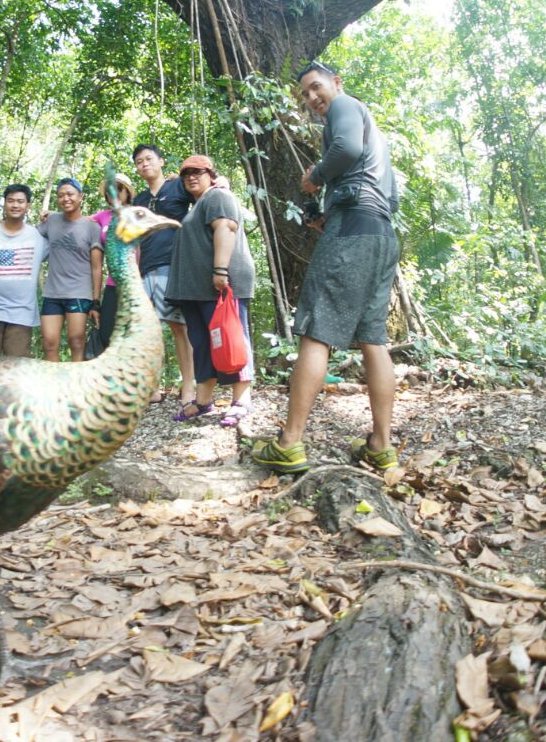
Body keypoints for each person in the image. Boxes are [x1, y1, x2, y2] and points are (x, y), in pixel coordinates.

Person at [251, 61, 400, 475]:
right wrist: (327, 211)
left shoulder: (346, 106)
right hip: (381, 235)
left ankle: (289, 443)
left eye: (316, 88)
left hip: (353, 229)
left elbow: (346, 150)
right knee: (373, 338)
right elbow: (384, 194)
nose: (313, 98)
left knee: (316, 332)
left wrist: (316, 176)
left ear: (336, 83)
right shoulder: (378, 137)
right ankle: (381, 446)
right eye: (306, 95)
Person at [165, 155, 256, 427]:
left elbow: (225, 228)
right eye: (186, 174)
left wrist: (220, 271)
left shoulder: (218, 196)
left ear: (211, 174)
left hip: (219, 285)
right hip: (197, 289)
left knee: (231, 338)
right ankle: (204, 400)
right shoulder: (199, 203)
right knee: (204, 344)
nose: (191, 177)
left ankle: (241, 400)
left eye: (198, 172)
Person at [131, 144, 196, 410]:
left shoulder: (178, 187)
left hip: (175, 265)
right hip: (146, 267)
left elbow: (206, 194)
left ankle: (189, 385)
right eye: (139, 162)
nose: (144, 164)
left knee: (180, 326)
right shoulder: (139, 200)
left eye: (148, 159)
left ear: (161, 161)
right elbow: (134, 240)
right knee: (149, 331)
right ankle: (152, 387)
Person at [0, 184, 47, 357]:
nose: (15, 205)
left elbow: (62, 231)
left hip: (22, 311)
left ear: (27, 205)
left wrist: (50, 216)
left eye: (20, 201)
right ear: (4, 203)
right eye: (10, 201)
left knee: (17, 365)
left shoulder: (37, 236)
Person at [37, 177, 103, 362]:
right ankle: (54, 388)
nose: (65, 198)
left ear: (80, 196)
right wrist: (1, 221)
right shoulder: (51, 221)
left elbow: (97, 267)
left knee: (76, 342)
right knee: (49, 343)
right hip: (52, 293)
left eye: (70, 194)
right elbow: (25, 235)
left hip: (79, 293)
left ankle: (76, 389)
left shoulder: (92, 227)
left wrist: (96, 301)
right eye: (61, 195)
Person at [88, 172, 137, 352]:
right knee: (107, 333)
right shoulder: (102, 216)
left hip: (135, 284)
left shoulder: (137, 213)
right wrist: (51, 214)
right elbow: (75, 220)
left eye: (118, 188)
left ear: (127, 192)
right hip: (112, 284)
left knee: (133, 336)